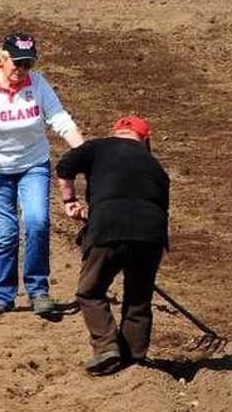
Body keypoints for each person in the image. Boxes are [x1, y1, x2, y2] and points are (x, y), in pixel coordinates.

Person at [0, 32, 85, 318]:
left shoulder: (38, 84)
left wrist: (87, 152)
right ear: (1, 59)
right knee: (6, 231)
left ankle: (38, 291)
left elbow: (59, 119)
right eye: (17, 63)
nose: (21, 69)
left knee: (37, 221)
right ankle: (4, 295)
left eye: (27, 64)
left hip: (33, 164)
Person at [55, 116, 169, 375]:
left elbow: (65, 166)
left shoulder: (97, 147)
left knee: (90, 291)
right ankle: (134, 359)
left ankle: (107, 347)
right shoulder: (156, 167)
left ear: (115, 133)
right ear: (146, 140)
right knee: (139, 298)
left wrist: (69, 200)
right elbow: (160, 207)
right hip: (151, 234)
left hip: (108, 227)